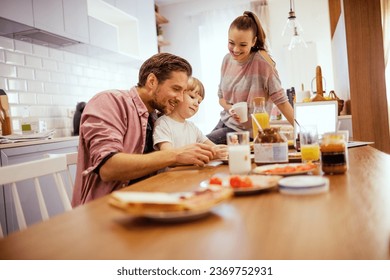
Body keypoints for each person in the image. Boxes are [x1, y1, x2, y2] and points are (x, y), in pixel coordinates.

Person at [72, 53, 216, 207]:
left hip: (146, 201)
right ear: (152, 81)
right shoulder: (109, 101)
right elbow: (108, 168)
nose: (180, 98)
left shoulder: (156, 117)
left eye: (183, 92)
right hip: (105, 209)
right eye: (176, 89)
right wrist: (175, 155)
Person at [207, 11, 294, 144]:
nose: (235, 50)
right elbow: (221, 98)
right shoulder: (226, 60)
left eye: (242, 45)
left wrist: (302, 131)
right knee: (199, 147)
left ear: (253, 41)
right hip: (225, 123)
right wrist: (230, 108)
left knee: (202, 147)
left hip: (247, 133)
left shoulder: (263, 63)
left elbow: (281, 101)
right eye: (231, 43)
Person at [153, 77, 227, 160]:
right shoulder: (163, 123)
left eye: (199, 102)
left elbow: (213, 148)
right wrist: (213, 154)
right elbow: (167, 156)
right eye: (192, 97)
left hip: (192, 172)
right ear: (178, 95)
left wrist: (228, 150)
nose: (196, 104)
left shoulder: (192, 127)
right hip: (172, 173)